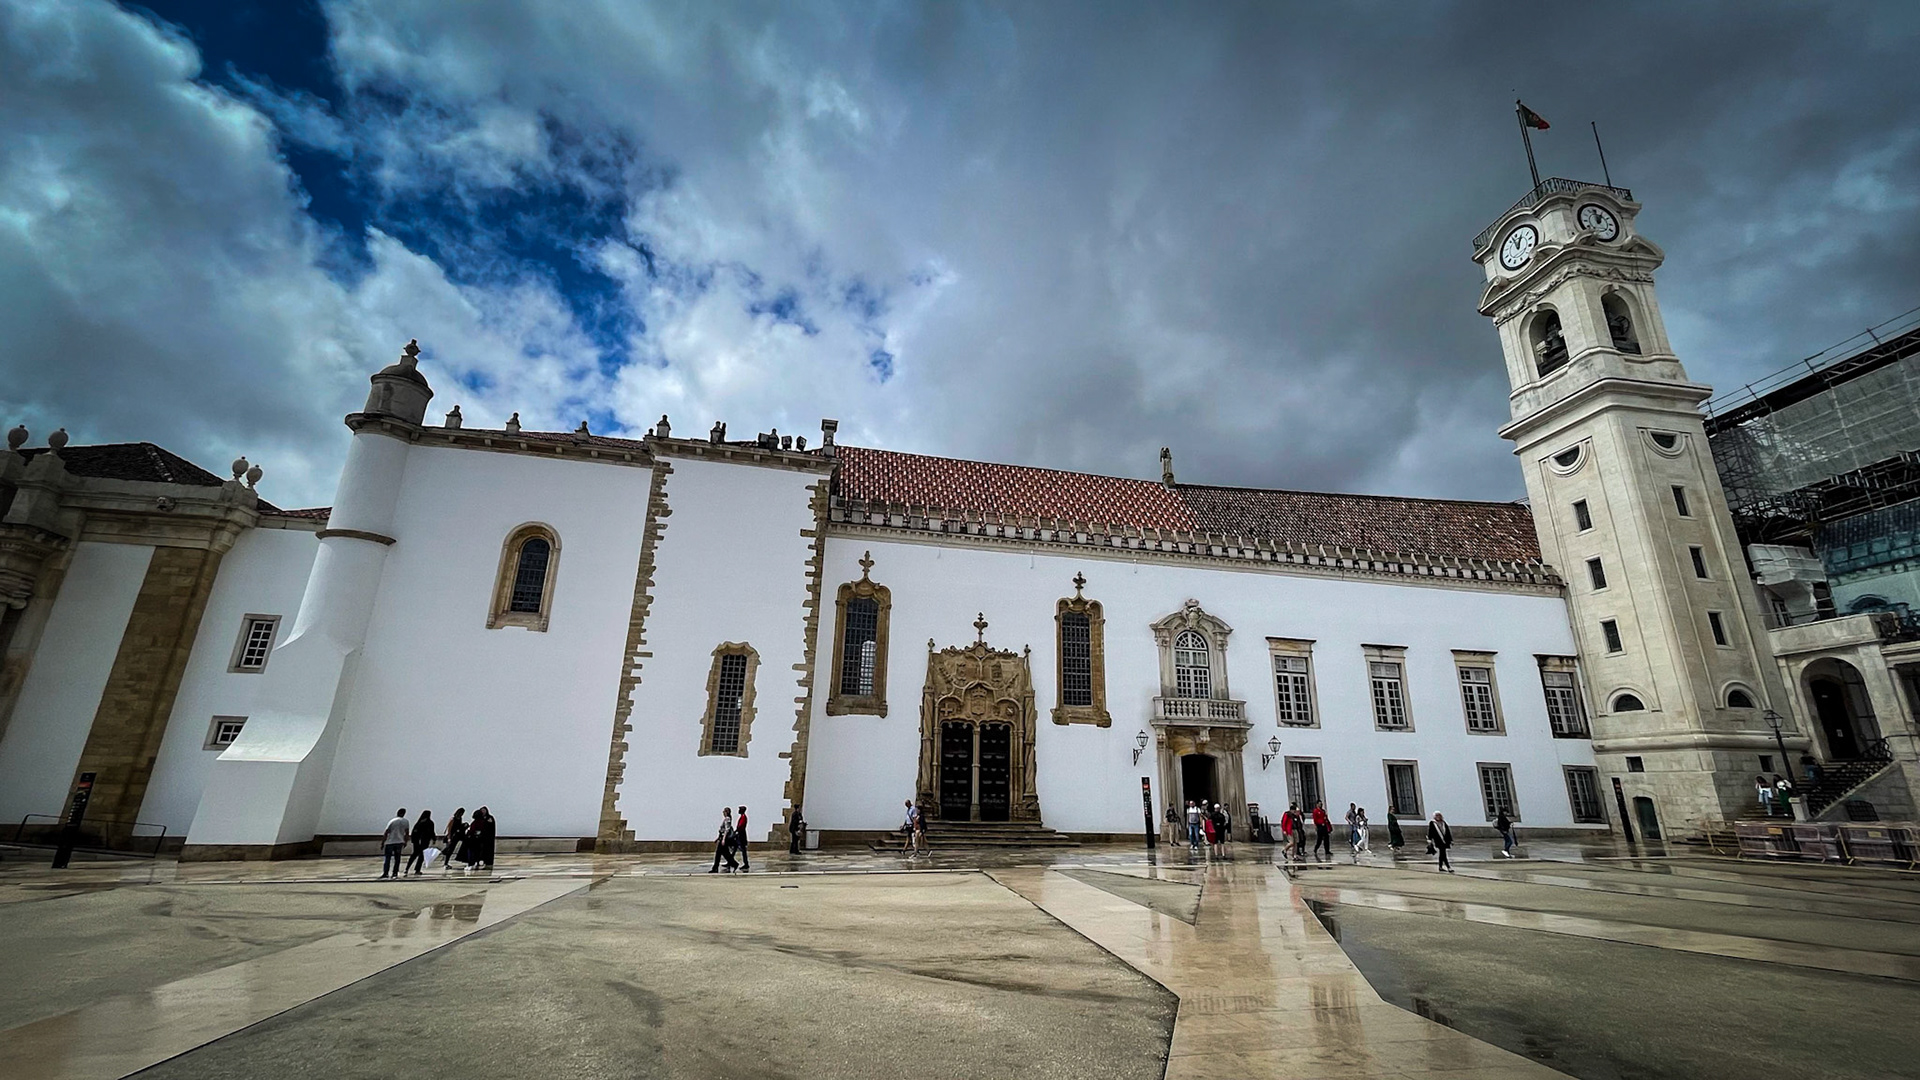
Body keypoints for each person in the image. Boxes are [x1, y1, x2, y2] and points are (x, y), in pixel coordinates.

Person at [405, 809, 436, 876]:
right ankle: (417, 869)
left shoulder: (419, 822)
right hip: (425, 842)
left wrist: (414, 841)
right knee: (421, 856)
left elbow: (414, 832)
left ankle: (407, 868)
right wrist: (434, 839)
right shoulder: (430, 822)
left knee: (414, 855)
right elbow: (432, 832)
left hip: (417, 841)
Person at [380, 808, 409, 879]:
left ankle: (385, 873)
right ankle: (395, 873)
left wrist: (383, 842)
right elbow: (407, 833)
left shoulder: (392, 821)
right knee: (397, 858)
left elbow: (386, 832)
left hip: (390, 842)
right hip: (399, 842)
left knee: (387, 858)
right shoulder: (406, 821)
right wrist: (405, 842)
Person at [710, 806, 737, 873]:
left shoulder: (727, 819)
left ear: (726, 812)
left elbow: (727, 830)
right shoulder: (726, 819)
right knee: (724, 853)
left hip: (724, 838)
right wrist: (718, 838)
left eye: (724, 811)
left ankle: (715, 868)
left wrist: (723, 839)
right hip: (722, 838)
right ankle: (733, 864)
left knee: (720, 853)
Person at [469, 807, 496, 871]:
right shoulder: (478, 819)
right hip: (480, 838)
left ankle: (487, 863)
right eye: (482, 811)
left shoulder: (489, 817)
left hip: (488, 838)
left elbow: (491, 827)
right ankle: (478, 862)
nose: (483, 812)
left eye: (484, 810)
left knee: (488, 851)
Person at [442, 808, 467, 874]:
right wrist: (449, 837)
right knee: (449, 850)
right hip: (452, 836)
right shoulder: (453, 819)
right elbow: (449, 829)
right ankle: (445, 863)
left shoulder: (460, 819)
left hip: (456, 837)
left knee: (451, 850)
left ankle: (446, 862)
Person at [732, 805, 751, 871]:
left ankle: (746, 864)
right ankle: (730, 861)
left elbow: (740, 826)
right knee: (735, 848)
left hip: (741, 834)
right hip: (740, 834)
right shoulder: (742, 817)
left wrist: (736, 831)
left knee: (743, 850)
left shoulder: (743, 817)